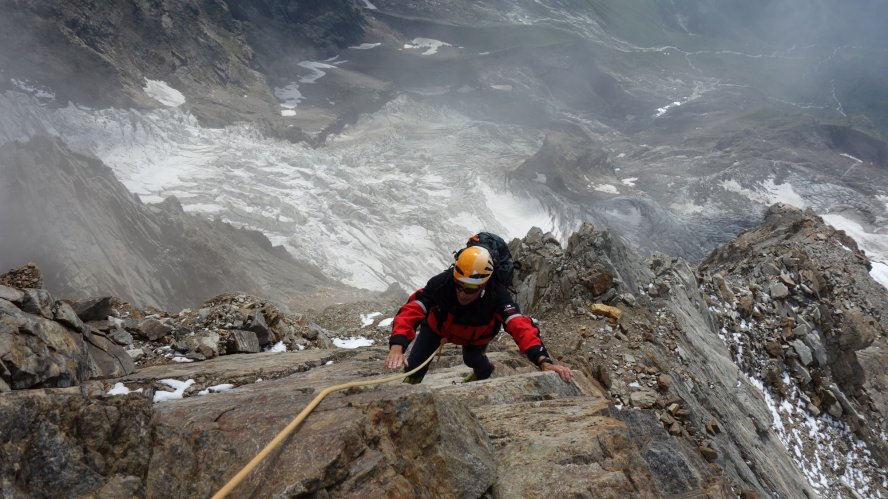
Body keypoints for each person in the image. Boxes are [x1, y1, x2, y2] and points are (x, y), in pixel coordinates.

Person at [384, 245, 571, 384]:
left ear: (484, 285)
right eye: (459, 286)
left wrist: (543, 361)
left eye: (471, 289)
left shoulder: (497, 296)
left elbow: (519, 326)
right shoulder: (442, 283)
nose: (462, 294)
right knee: (414, 366)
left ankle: (484, 373)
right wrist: (397, 345)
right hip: (438, 329)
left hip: (475, 335)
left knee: (472, 359)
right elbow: (412, 310)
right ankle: (411, 393)